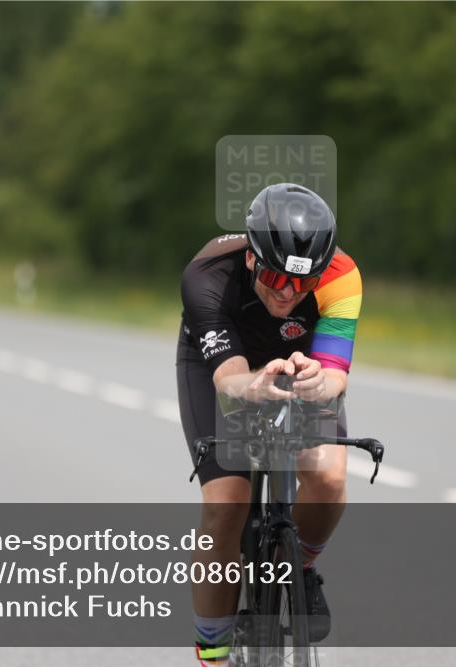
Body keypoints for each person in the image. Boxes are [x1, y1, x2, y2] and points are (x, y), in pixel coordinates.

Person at [176, 183, 362, 665]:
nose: (288, 293)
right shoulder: (207, 274)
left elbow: (335, 373)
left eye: (303, 283)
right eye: (278, 278)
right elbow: (230, 380)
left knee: (328, 476)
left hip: (295, 364)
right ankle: (213, 651)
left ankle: (296, 569)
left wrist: (317, 380)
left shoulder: (342, 276)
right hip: (223, 366)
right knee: (226, 504)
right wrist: (256, 386)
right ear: (253, 258)